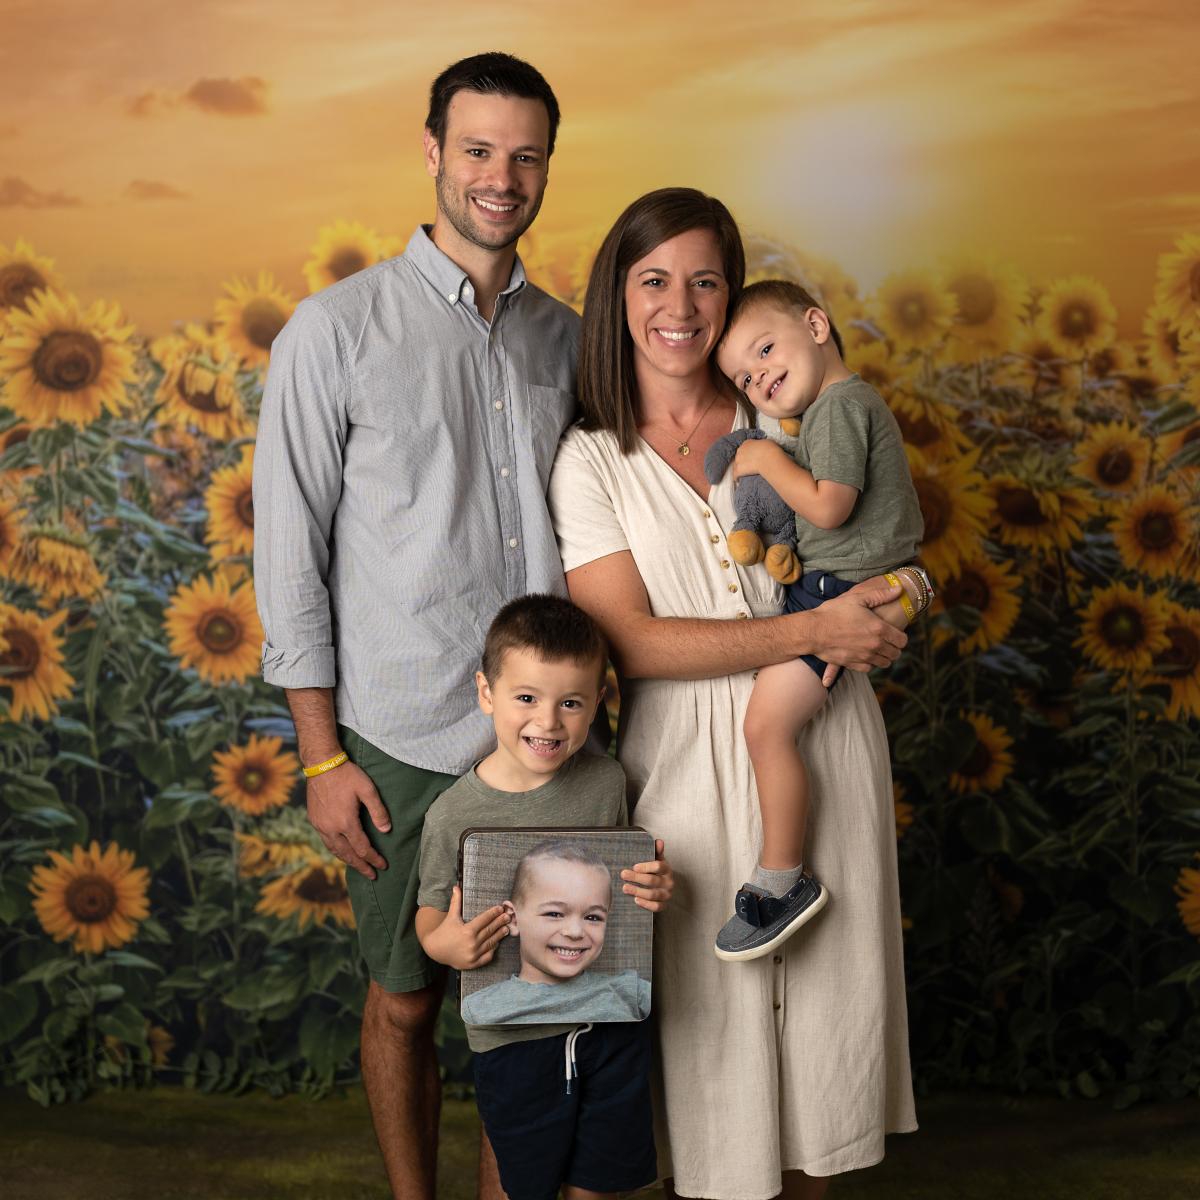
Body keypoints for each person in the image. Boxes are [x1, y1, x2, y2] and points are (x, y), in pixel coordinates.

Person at [547, 188, 917, 1200]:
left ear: (736, 294)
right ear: (616, 297)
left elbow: (887, 540)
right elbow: (628, 642)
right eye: (655, 279)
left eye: (707, 279)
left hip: (823, 731)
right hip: (681, 769)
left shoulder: (783, 409)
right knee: (712, 1059)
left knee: (826, 1041)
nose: (682, 303)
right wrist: (814, 629)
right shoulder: (592, 458)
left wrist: (898, 600)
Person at [253, 52, 579, 1200]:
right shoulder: (333, 332)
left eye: (525, 154)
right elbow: (288, 558)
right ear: (433, 151)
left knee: (526, 1006)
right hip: (396, 735)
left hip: (545, 737)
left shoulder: (569, 342)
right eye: (479, 150)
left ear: (548, 164)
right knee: (404, 998)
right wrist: (322, 757)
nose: (502, 176)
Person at [415, 594, 671, 1200]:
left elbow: (625, 881)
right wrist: (446, 944)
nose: (548, 722)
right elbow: (431, 913)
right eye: (526, 698)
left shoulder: (608, 783)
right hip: (515, 1041)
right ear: (487, 693)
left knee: (603, 1182)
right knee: (521, 1184)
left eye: (571, 703)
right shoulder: (453, 813)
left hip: (610, 1029)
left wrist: (655, 886)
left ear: (597, 702)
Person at [708, 279, 933, 962]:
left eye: (766, 349)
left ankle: (782, 881)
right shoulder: (839, 406)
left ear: (816, 323)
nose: (759, 376)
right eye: (744, 376)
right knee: (775, 722)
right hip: (852, 586)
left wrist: (764, 457)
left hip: (835, 597)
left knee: (766, 725)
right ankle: (784, 875)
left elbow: (829, 508)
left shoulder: (836, 409)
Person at [459, 839, 652, 1025]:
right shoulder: (481, 1008)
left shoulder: (631, 992)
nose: (575, 932)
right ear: (514, 919)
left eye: (592, 917)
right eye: (554, 913)